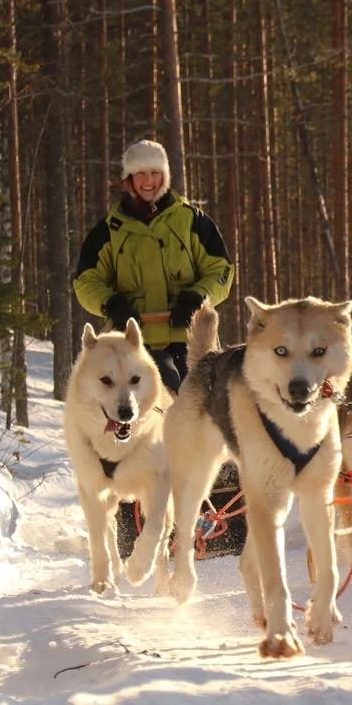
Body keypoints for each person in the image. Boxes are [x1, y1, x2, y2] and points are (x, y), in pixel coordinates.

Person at [73, 138, 244, 557]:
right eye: (141, 175)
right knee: (144, 416)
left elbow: (221, 270)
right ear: (128, 180)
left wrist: (198, 296)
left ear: (165, 177)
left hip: (190, 337)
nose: (149, 182)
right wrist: (111, 303)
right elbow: (85, 281)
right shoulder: (109, 231)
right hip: (134, 347)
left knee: (209, 407)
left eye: (155, 174)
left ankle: (220, 514)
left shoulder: (192, 221)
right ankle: (135, 517)